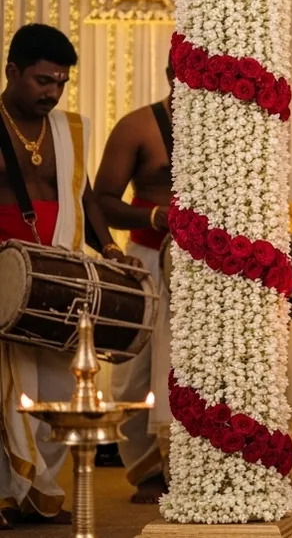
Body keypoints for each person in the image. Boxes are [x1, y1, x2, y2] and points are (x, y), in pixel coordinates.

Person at [0, 24, 136, 528]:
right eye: (42, 81)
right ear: (12, 71)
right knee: (3, 389)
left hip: (58, 275)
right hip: (5, 274)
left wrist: (109, 249)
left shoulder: (68, 129)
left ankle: (36, 494)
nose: (53, 93)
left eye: (60, 83)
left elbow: (82, 196)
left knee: (60, 385)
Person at [93, 55, 175, 503]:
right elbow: (102, 201)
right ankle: (146, 472)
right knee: (132, 374)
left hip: (206, 267)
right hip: (146, 259)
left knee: (188, 368)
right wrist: (155, 215)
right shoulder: (138, 126)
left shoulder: (229, 122)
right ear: (170, 76)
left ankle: (190, 466)